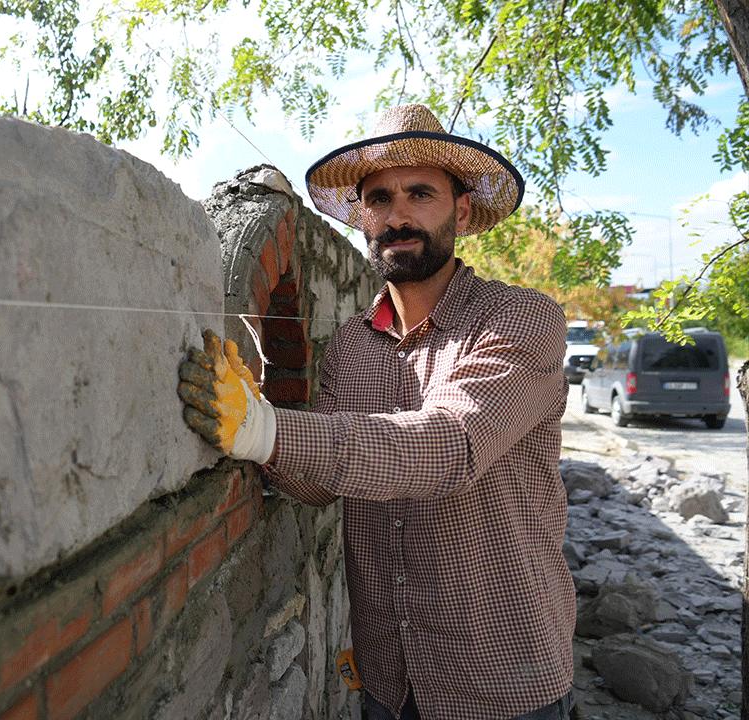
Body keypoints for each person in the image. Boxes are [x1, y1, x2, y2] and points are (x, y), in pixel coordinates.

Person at [177, 104, 576, 720]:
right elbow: (316, 484)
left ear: (461, 212)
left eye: (421, 194)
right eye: (379, 198)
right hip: (388, 680)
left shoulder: (522, 319)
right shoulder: (351, 345)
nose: (397, 216)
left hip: (503, 678)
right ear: (362, 216)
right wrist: (247, 414)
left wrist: (265, 429)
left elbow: (449, 444)